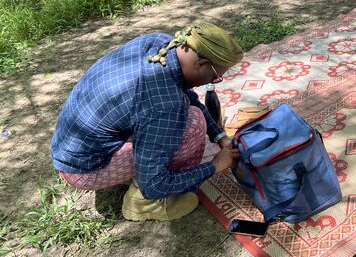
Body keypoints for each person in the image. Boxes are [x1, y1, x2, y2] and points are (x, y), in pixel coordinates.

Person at [51, 23, 243, 221]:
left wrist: (219, 135)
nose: (214, 81)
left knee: (182, 114)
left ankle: (133, 171)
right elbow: (154, 184)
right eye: (215, 77)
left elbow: (185, 92)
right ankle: (143, 203)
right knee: (193, 124)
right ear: (200, 64)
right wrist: (214, 166)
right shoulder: (164, 105)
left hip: (69, 147)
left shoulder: (160, 45)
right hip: (85, 170)